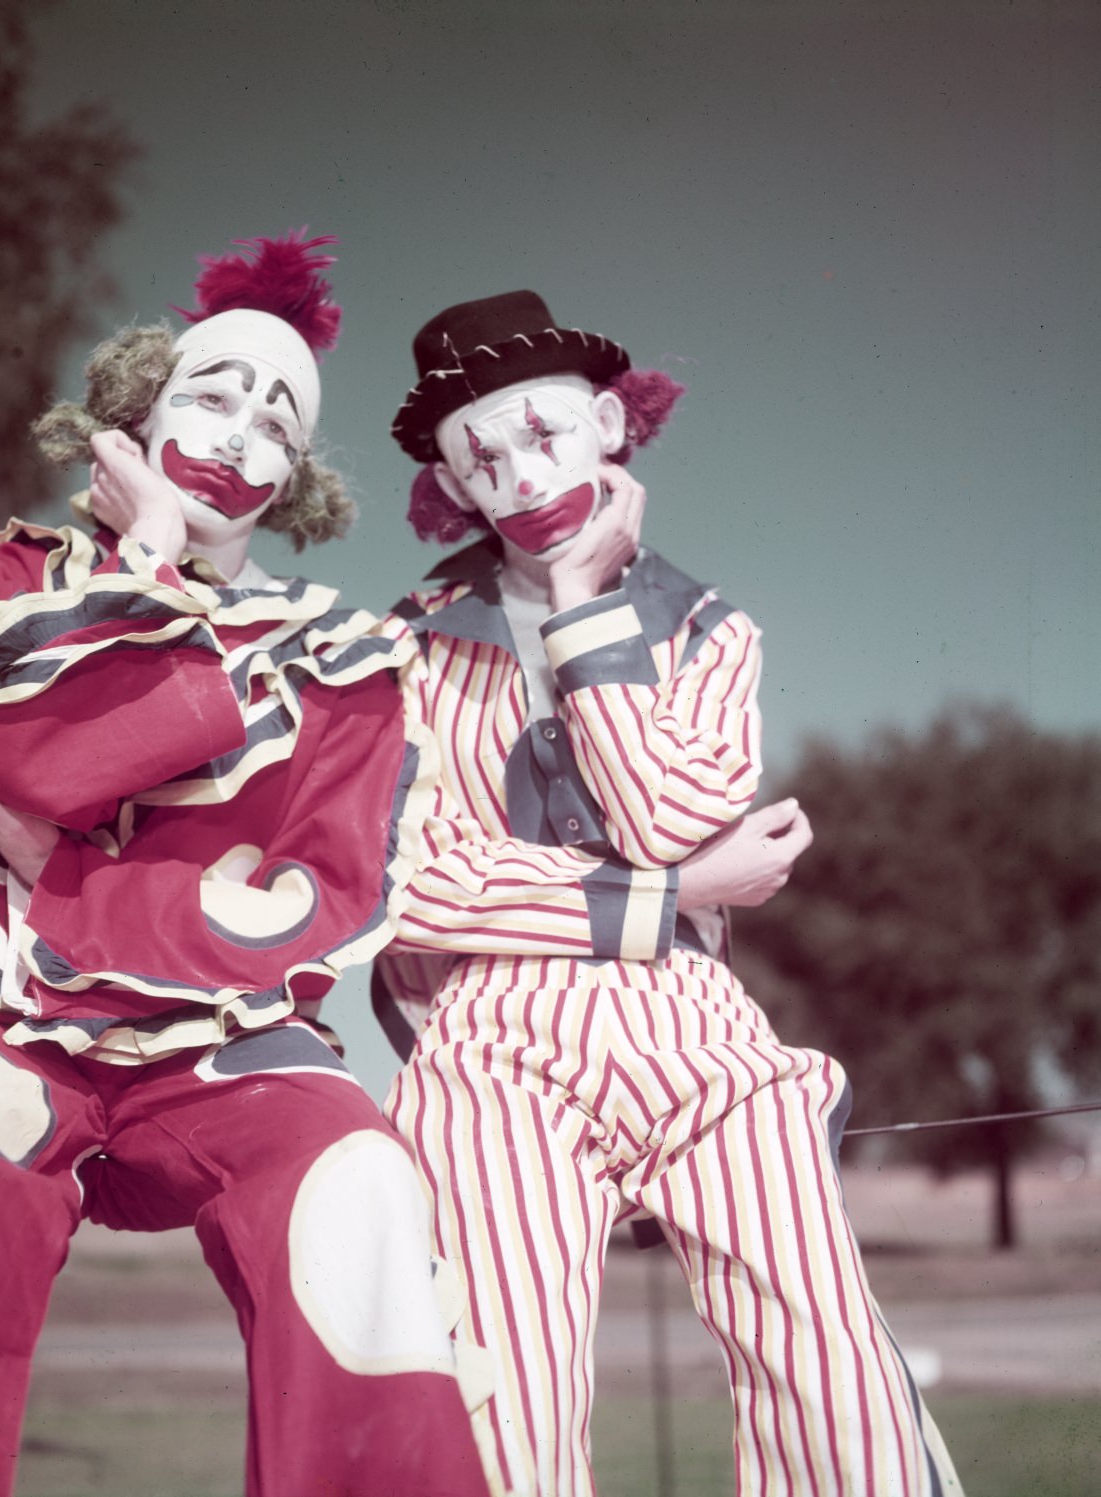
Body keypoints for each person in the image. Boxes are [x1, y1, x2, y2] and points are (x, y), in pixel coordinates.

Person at [0, 234, 493, 1497]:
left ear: (292, 481)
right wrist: (149, 554)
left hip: (222, 1050)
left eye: (276, 421)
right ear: (131, 415)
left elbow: (315, 911)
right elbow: (34, 763)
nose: (238, 433)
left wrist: (53, 884)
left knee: (361, 1182)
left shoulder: (347, 658)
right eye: (211, 393)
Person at [374, 290, 965, 1496]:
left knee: (832, 1367)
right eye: (481, 458)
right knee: (501, 1394)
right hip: (491, 1039)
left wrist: (588, 614)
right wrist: (677, 893)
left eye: (542, 434)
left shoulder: (709, 630)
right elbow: (410, 881)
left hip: (700, 1029)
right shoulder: (411, 645)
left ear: (606, 424)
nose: (520, 475)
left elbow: (669, 814)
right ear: (454, 480)